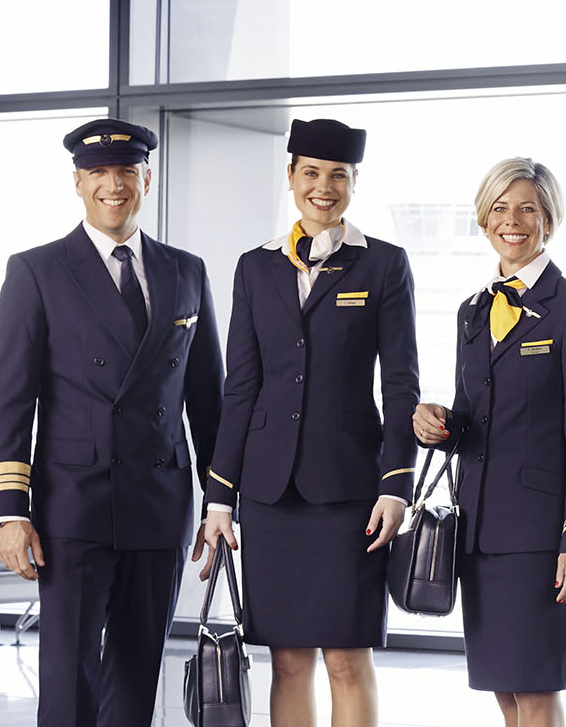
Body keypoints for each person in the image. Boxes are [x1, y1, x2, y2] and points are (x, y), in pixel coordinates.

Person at [0, 118, 224, 726]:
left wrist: (219, 504)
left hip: (159, 502)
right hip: (72, 506)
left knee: (137, 672)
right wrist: (11, 512)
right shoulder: (36, 270)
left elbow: (208, 400)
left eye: (126, 172)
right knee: (67, 677)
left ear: (148, 178)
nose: (113, 185)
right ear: (77, 183)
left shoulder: (186, 271)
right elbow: (11, 398)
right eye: (98, 173)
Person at [195, 119, 418, 727]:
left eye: (338, 176)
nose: (324, 187)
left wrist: (396, 485)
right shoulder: (254, 267)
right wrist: (220, 498)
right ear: (291, 176)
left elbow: (401, 385)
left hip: (349, 491)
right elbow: (239, 388)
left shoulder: (383, 266)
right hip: (269, 495)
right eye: (312, 173)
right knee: (288, 660)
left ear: (353, 183)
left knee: (347, 657)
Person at [409, 157, 566, 727]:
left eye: (527, 207)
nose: (512, 220)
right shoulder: (471, 311)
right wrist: (436, 423)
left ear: (548, 218)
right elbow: (475, 418)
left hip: (540, 534)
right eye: (500, 208)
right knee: (502, 686)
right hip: (479, 531)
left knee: (537, 686)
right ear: (483, 218)